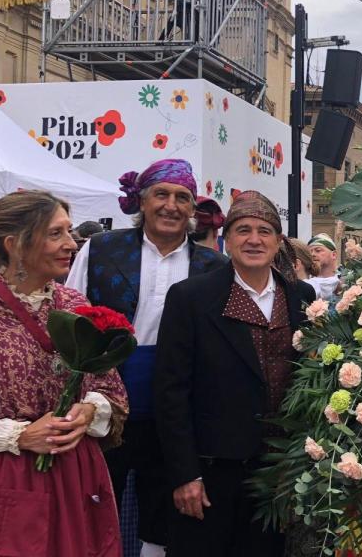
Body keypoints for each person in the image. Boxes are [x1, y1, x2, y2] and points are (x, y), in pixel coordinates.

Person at [0, 190, 129, 556]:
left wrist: (90, 411)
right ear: (15, 244)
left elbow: (107, 388)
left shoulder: (74, 304)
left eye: (69, 232)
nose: (71, 245)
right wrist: (19, 435)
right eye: (56, 234)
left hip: (71, 473)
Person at [67, 159, 227, 557]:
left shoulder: (214, 266)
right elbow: (71, 314)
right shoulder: (101, 248)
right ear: (142, 200)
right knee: (96, 498)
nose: (171, 205)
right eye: (162, 194)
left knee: (164, 507)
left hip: (176, 407)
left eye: (182, 198)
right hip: (104, 400)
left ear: (194, 210)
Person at [154, 191, 311, 557]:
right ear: (226, 239)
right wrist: (184, 474)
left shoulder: (300, 297)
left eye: (264, 231)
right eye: (243, 230)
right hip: (211, 471)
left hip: (280, 472)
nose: (253, 240)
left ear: (278, 242)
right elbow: (170, 390)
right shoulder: (192, 297)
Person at [306, 232, 341, 302]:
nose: (313, 254)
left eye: (318, 250)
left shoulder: (345, 281)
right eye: (310, 252)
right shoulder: (306, 283)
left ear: (333, 255)